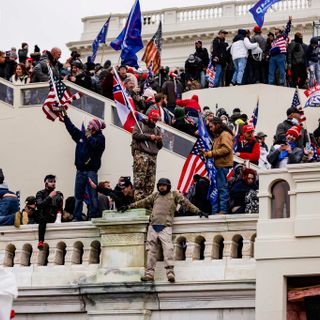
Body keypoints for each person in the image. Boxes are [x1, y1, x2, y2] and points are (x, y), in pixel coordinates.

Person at [119, 178, 207, 282]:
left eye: (164, 185)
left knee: (168, 250)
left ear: (168, 186)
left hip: (166, 227)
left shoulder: (174, 195)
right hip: (153, 227)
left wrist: (198, 211)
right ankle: (149, 274)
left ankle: (170, 273)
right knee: (151, 252)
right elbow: (142, 202)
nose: (161, 187)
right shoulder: (155, 195)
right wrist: (128, 207)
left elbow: (186, 203)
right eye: (160, 185)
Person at [62, 110, 106, 221]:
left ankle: (93, 215)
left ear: (95, 128)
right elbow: (72, 129)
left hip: (91, 171)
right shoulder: (82, 135)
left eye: (91, 124)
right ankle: (77, 216)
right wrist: (65, 117)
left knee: (92, 195)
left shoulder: (100, 138)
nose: (88, 125)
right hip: (80, 170)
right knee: (78, 195)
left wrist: (89, 137)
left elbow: (96, 146)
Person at [203, 117, 234, 214]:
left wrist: (211, 153)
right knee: (215, 189)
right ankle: (215, 211)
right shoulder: (218, 136)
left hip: (222, 166)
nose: (210, 129)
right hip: (216, 166)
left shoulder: (225, 135)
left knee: (221, 188)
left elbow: (226, 149)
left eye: (211, 126)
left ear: (217, 125)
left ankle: (223, 210)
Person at [131, 110, 163, 201]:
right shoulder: (140, 124)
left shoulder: (157, 130)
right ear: (149, 117)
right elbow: (135, 135)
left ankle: (147, 201)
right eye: (153, 119)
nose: (155, 121)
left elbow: (160, 146)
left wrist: (159, 140)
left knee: (150, 182)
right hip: (141, 154)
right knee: (139, 180)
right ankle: (138, 201)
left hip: (153, 156)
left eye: (156, 120)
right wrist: (149, 137)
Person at [36, 175, 64, 249]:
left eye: (54, 181)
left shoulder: (58, 194)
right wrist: (49, 197)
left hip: (55, 216)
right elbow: (39, 205)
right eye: (51, 181)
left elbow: (60, 208)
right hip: (44, 216)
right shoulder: (40, 193)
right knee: (42, 219)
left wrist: (59, 216)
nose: (53, 183)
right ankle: (41, 241)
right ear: (45, 183)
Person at [268, 16, 292, 86]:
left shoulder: (283, 36)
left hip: (281, 55)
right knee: (271, 72)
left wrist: (289, 21)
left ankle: (282, 84)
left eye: (276, 29)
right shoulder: (273, 40)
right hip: (273, 57)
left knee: (282, 71)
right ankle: (270, 84)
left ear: (280, 30)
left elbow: (287, 29)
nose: (275, 30)